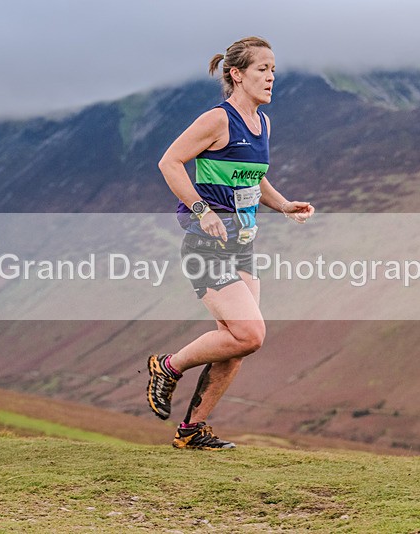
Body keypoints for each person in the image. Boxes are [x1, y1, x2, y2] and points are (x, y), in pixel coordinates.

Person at [147, 36, 315, 450]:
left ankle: (192, 431)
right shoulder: (217, 120)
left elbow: (252, 176)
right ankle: (168, 366)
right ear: (236, 74)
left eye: (274, 69)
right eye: (263, 69)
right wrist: (201, 210)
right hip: (206, 245)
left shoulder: (263, 123)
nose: (272, 76)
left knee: (237, 346)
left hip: (243, 246)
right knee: (250, 333)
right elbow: (169, 162)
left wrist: (282, 204)